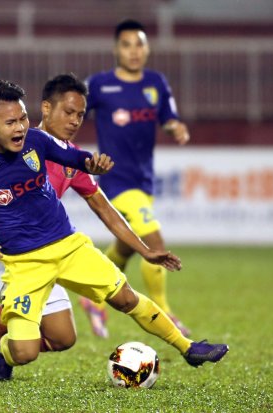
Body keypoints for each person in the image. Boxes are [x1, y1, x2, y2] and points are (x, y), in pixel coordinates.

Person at [0, 78, 228, 381]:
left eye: (80, 115)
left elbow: (83, 169)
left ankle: (188, 347)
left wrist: (93, 165)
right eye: (68, 112)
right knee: (24, 348)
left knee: (93, 318)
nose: (74, 121)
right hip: (15, 258)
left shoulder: (40, 142)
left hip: (66, 246)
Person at [80, 19, 192, 338]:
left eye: (139, 44)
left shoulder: (156, 83)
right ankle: (164, 311)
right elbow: (73, 110)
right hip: (115, 180)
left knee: (126, 247)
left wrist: (176, 127)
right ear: (116, 49)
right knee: (153, 243)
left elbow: (168, 118)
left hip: (143, 180)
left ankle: (91, 299)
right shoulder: (99, 85)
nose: (133, 51)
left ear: (147, 48)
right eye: (126, 44)